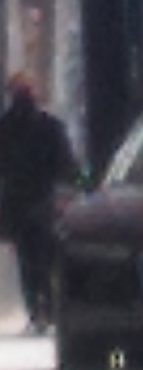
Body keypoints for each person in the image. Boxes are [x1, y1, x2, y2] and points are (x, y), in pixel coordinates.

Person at [0, 75, 76, 334]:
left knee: (28, 262)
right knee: (48, 259)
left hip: (19, 204)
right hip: (45, 203)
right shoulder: (50, 125)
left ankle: (37, 312)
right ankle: (50, 310)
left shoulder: (6, 127)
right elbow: (67, 164)